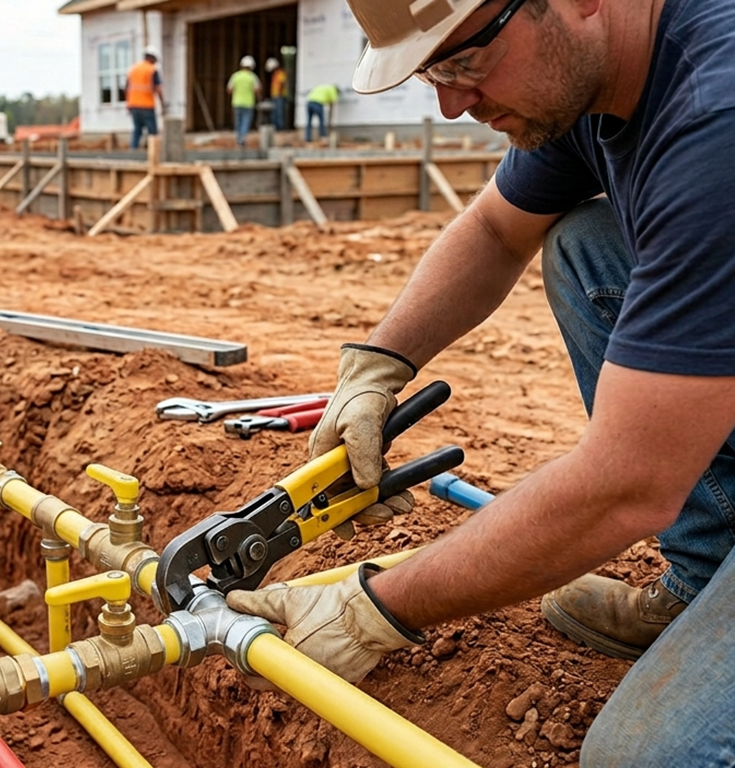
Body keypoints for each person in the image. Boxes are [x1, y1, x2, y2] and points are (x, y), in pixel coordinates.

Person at [224, 0, 735, 763]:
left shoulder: (715, 121)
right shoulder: (598, 84)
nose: (451, 102)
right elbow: (496, 230)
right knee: (588, 248)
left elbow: (629, 483)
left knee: (642, 758)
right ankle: (707, 577)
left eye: (461, 62)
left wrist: (376, 608)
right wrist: (377, 368)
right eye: (434, 72)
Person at [124, 46, 163, 150]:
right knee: (153, 131)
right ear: (152, 58)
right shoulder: (151, 70)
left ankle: (133, 151)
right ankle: (155, 153)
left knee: (137, 129)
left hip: (134, 105)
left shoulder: (133, 69)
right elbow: (158, 88)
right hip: (147, 105)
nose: (155, 62)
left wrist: (128, 104)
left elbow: (127, 88)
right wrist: (163, 104)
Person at [226, 55, 261, 147]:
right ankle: (242, 138)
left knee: (238, 121)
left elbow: (229, 89)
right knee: (246, 121)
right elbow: (257, 90)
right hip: (248, 103)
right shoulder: (253, 77)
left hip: (237, 102)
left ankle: (238, 138)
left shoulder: (235, 76)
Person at [266, 57, 289, 131]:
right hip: (275, 96)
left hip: (279, 96)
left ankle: (280, 128)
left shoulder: (280, 73)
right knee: (274, 113)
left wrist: (280, 93)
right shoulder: (275, 74)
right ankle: (275, 127)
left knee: (279, 113)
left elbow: (282, 84)